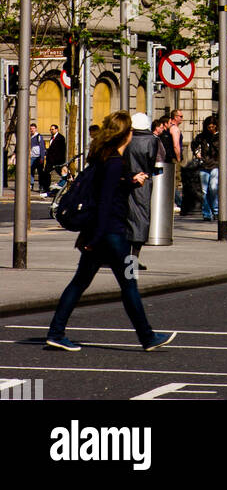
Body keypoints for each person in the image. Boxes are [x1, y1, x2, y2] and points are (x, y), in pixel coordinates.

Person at [44, 111, 176, 353]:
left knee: (80, 282)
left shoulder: (104, 157)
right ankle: (147, 337)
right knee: (129, 285)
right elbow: (104, 202)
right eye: (131, 132)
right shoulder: (115, 162)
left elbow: (108, 187)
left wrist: (129, 181)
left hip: (100, 234)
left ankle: (56, 332)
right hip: (113, 235)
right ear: (125, 134)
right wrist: (94, 239)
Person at [127, 113, 160, 273]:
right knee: (142, 218)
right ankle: (133, 258)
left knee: (127, 217)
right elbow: (151, 160)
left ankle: (126, 257)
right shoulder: (152, 140)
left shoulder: (127, 138)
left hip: (127, 180)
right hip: (143, 181)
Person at [192, 115, 219, 220]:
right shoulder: (202, 136)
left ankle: (215, 210)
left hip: (216, 164)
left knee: (213, 187)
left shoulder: (219, 136)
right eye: (209, 127)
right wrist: (197, 152)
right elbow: (194, 145)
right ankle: (207, 212)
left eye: (213, 127)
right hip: (204, 165)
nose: (211, 129)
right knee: (204, 191)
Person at [40, 124, 66, 196]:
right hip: (50, 160)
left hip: (57, 160)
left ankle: (65, 184)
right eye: (50, 129)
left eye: (52, 129)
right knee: (46, 173)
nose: (51, 131)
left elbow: (61, 150)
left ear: (57, 129)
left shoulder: (60, 138)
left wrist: (59, 159)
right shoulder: (52, 137)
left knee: (62, 173)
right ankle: (46, 188)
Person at [30, 123, 45, 191]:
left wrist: (42, 157)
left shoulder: (39, 136)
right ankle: (31, 184)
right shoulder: (29, 137)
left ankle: (41, 186)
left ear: (36, 129)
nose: (32, 130)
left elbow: (42, 147)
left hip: (38, 157)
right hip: (31, 157)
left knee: (40, 173)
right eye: (31, 128)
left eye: (33, 128)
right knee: (31, 172)